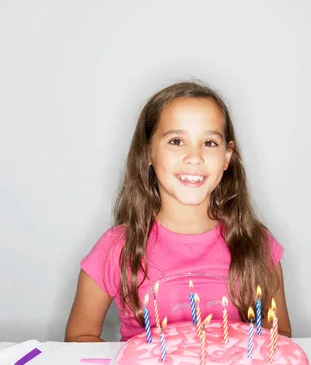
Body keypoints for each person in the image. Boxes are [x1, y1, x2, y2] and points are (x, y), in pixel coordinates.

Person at [64, 80, 291, 343]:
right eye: (176, 141)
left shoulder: (256, 244)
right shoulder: (116, 247)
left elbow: (280, 337)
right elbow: (80, 337)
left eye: (209, 143)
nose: (194, 157)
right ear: (147, 151)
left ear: (227, 157)